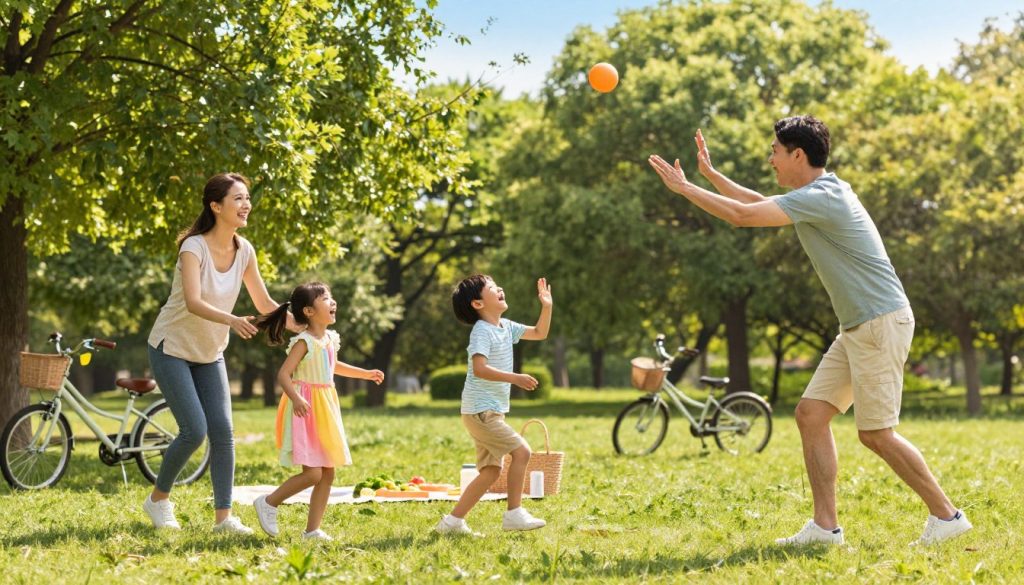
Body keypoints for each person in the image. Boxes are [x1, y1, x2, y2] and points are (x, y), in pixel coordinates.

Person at [648, 116, 971, 547]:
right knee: (811, 414)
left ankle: (947, 516)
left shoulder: (824, 196)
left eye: (775, 152)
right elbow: (757, 202)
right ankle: (825, 528)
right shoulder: (816, 195)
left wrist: (686, 189)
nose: (770, 160)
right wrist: (710, 176)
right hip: (859, 326)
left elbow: (744, 216)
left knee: (876, 433)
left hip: (879, 323)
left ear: (797, 155)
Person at [145, 172, 293, 533]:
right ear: (216, 206)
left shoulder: (245, 251)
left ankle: (223, 518)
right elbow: (194, 302)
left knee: (223, 432)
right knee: (194, 430)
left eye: (247, 198)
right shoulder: (193, 247)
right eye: (238, 199)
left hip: (210, 352)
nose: (246, 205)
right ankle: (157, 500)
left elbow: (263, 303)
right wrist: (232, 320)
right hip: (172, 348)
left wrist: (305, 324)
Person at [251, 282, 384, 540]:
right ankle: (269, 502)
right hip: (307, 409)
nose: (332, 302)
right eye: (325, 298)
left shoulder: (329, 339)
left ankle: (312, 530)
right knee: (312, 473)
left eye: (331, 297)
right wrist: (297, 399)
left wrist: (365, 374)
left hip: (325, 407)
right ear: (309, 311)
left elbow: (333, 366)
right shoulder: (304, 342)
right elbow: (284, 374)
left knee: (328, 472)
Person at [435, 275, 553, 535]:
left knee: (490, 471)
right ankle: (513, 514)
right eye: (491, 288)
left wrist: (546, 306)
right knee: (522, 452)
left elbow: (539, 332)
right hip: (480, 412)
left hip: (489, 412)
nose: (500, 288)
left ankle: (452, 523)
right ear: (478, 303)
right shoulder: (482, 331)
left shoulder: (505, 327)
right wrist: (515, 378)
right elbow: (479, 368)